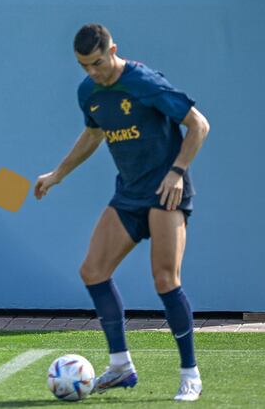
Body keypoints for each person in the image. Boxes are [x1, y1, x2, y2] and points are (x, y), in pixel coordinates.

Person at [34, 23, 210, 402]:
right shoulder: (90, 92)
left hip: (165, 192)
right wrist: (58, 174)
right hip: (128, 194)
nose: (93, 72)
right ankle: (120, 366)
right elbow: (93, 135)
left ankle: (190, 374)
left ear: (114, 49)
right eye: (84, 66)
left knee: (165, 280)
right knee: (92, 271)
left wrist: (177, 172)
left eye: (97, 63)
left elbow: (198, 125)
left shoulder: (143, 81)